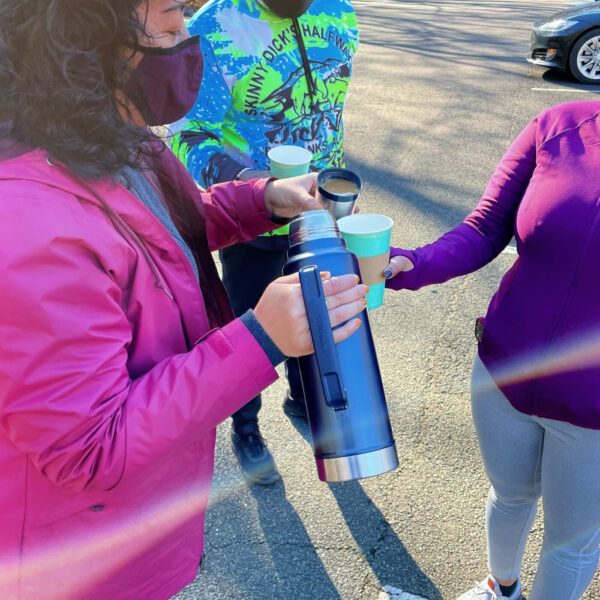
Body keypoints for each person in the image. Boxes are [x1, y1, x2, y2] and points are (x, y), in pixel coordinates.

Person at [0, 1, 368, 599]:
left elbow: (162, 233)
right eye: (171, 27)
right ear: (85, 40)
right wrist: (260, 337)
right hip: (81, 567)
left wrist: (263, 199)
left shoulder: (104, 138)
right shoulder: (28, 222)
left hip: (140, 525)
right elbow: (89, 448)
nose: (188, 41)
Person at [384, 101, 600, 600]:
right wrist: (409, 264)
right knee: (510, 495)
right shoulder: (558, 127)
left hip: (593, 410)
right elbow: (485, 227)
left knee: (570, 545)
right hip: (504, 371)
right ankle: (500, 589)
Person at [170, 0, 359, 485]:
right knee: (247, 333)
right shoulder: (213, 27)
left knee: (320, 317)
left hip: (322, 218)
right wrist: (260, 188)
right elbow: (189, 136)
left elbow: (329, 110)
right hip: (247, 222)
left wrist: (333, 182)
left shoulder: (338, 12)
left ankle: (304, 398)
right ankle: (246, 427)